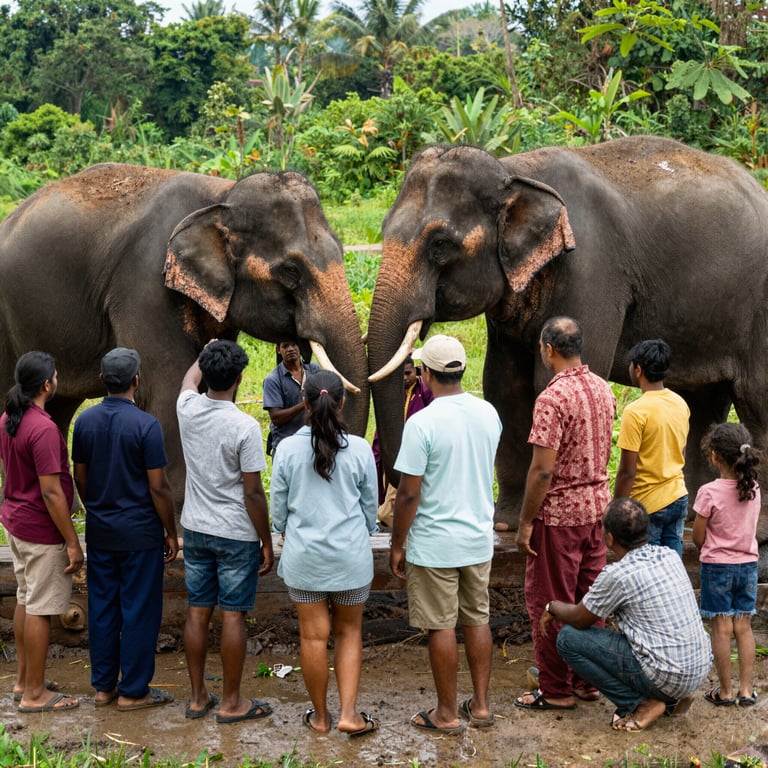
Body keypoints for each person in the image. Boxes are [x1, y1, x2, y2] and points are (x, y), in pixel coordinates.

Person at [391, 334, 502, 734]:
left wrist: (397, 543)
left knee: (441, 626)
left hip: (435, 543)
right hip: (476, 539)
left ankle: (447, 713)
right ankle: (483, 706)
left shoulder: (422, 422)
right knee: (477, 620)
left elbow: (408, 494)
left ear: (425, 374)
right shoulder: (488, 413)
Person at [271, 370, 380, 736]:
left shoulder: (286, 449)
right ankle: (349, 714)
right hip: (350, 560)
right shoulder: (361, 449)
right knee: (349, 633)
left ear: (304, 403)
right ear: (343, 403)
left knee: (313, 638)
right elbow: (370, 510)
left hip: (305, 561)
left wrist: (288, 531)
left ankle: (320, 718)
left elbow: (278, 513)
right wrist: (360, 532)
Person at [515, 316, 616, 711]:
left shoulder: (551, 399)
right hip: (598, 513)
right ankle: (588, 681)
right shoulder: (603, 389)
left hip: (558, 518)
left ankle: (555, 689)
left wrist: (525, 523)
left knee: (551, 602)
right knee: (592, 602)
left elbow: (542, 469)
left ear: (549, 350)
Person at [72, 348, 178, 711]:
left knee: (102, 607)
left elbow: (80, 479)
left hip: (101, 533)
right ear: (136, 381)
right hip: (140, 535)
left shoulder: (84, 423)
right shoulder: (146, 426)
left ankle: (103, 688)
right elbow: (158, 487)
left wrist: (100, 507)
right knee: (138, 610)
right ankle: (134, 691)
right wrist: (170, 530)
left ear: (102, 381)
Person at [549, 497, 711, 731]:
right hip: (699, 668)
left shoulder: (618, 575)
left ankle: (639, 704)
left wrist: (551, 607)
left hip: (669, 675)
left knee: (568, 638)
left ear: (609, 538)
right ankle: (671, 697)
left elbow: (579, 618)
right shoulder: (669, 555)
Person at [176, 340, 274, 724]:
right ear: (238, 378)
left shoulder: (187, 409)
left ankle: (199, 698)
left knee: (197, 613)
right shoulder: (245, 427)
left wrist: (205, 351)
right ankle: (232, 702)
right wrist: (265, 539)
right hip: (235, 533)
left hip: (196, 529)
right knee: (233, 616)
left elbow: (188, 380)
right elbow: (252, 492)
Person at [0, 351, 82, 712]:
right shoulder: (44, 429)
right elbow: (51, 492)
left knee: (25, 598)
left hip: (16, 521)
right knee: (41, 609)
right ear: (47, 384)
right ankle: (35, 694)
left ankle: (23, 680)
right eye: (56, 375)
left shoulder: (8, 419)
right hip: (40, 529)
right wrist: (72, 540)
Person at [692, 423, 761, 707]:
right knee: (743, 627)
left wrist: (709, 547)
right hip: (748, 566)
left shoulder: (709, 492)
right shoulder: (753, 488)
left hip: (717, 567)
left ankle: (725, 692)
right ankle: (746, 690)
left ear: (715, 456)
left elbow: (697, 536)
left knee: (721, 629)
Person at [614, 339, 690, 555]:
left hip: (647, 504)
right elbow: (680, 454)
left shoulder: (636, 412)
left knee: (648, 572)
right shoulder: (680, 403)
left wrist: (617, 508)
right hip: (678, 496)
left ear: (638, 369)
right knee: (672, 567)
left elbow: (627, 472)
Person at [372, 355, 434, 526]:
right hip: (395, 452)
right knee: (388, 506)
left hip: (418, 452)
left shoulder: (424, 391)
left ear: (416, 371)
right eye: (401, 375)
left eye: (408, 373)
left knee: (393, 505)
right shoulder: (394, 394)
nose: (405, 378)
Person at [262, 340, 320, 455]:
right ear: (278, 350)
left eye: (294, 344)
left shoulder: (313, 369)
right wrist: (305, 404)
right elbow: (276, 417)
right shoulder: (273, 380)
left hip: (313, 442)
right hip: (286, 447)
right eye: (285, 346)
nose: (290, 349)